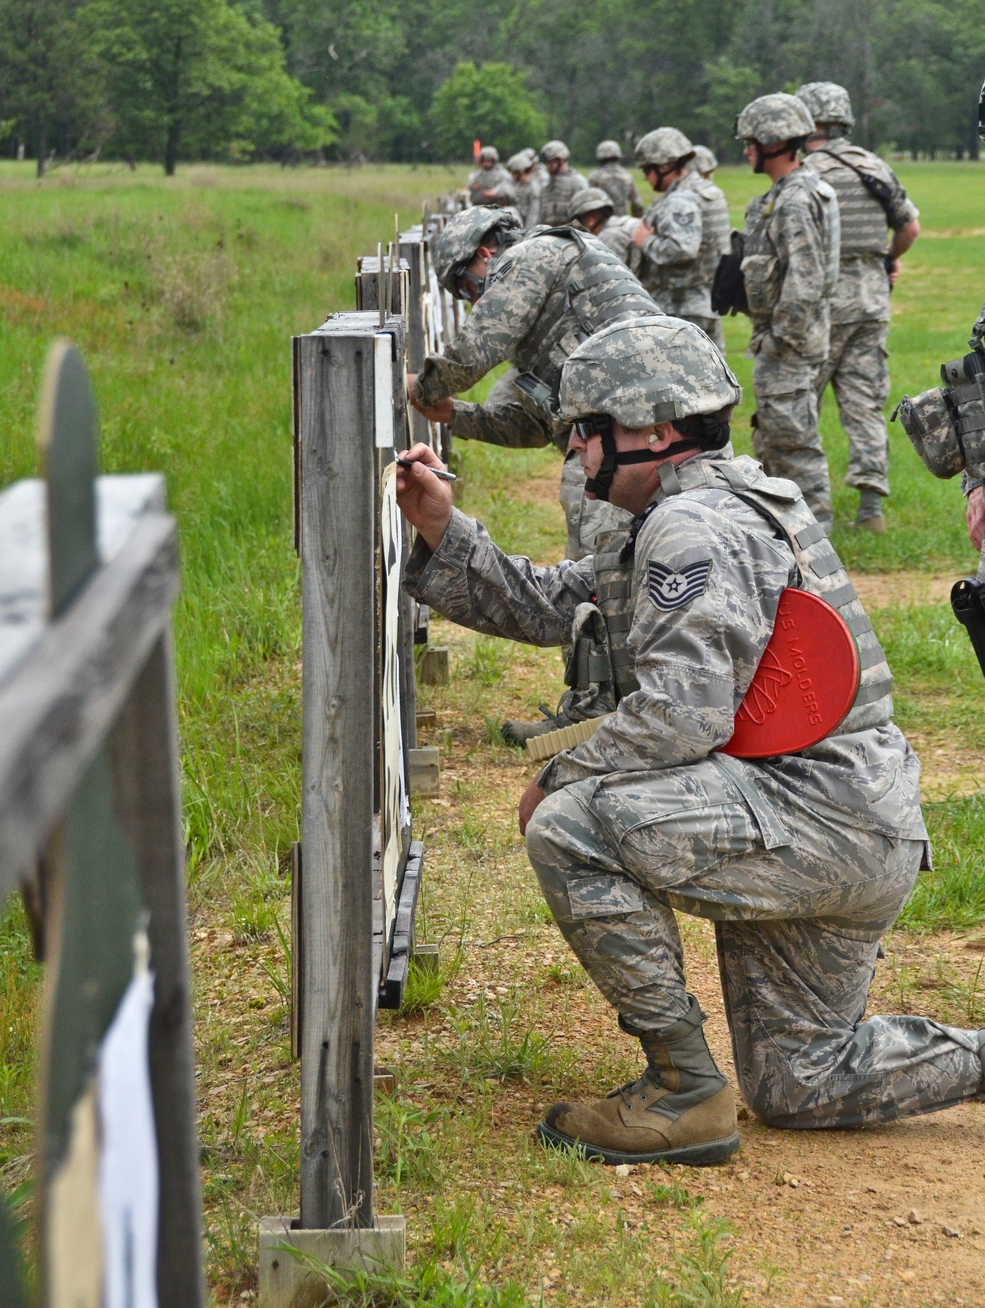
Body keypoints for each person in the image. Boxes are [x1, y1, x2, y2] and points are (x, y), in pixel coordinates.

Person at [397, 312, 985, 1167]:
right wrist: (446, 530)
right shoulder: (724, 497)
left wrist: (559, 775)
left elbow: (683, 715)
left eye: (588, 432)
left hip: (812, 819)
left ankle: (681, 1090)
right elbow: (559, 604)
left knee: (573, 824)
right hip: (856, 822)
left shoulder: (691, 527)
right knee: (798, 1082)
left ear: (654, 432)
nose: (575, 452)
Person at [408, 204, 660, 563]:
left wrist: (418, 389)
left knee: (603, 573)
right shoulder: (557, 285)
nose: (474, 301)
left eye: (467, 286)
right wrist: (454, 414)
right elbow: (536, 427)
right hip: (645, 430)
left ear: (485, 253)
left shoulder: (529, 255)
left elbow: (477, 348)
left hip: (619, 437)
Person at [798, 81, 921, 534]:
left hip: (821, 304)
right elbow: (910, 227)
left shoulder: (805, 172)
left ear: (807, 121)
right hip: (871, 301)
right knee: (866, 404)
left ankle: (813, 514)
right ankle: (870, 511)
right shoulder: (875, 166)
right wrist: (884, 261)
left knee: (801, 404)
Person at [737, 93, 840, 532]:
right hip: (795, 343)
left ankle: (817, 550)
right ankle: (789, 541)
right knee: (777, 442)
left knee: (794, 448)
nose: (745, 151)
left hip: (789, 348)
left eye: (750, 142)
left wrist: (780, 339)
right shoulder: (797, 190)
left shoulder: (795, 200)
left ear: (772, 142)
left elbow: (805, 280)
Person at [630, 127, 730, 353]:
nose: (645, 176)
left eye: (647, 168)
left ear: (665, 166)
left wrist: (646, 241)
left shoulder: (681, 200)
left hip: (683, 309)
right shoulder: (707, 191)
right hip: (706, 303)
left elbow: (682, 249)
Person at [568, 186, 640, 269]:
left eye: (580, 221)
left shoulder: (609, 236)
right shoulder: (620, 224)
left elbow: (610, 276)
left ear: (591, 219)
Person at [537, 140, 589, 225]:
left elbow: (585, 215)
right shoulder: (546, 186)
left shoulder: (578, 183)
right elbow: (541, 218)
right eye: (547, 162)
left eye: (551, 161)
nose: (548, 165)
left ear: (561, 160)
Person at [588, 140, 643, 217]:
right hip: (623, 222)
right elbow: (637, 204)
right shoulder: (627, 175)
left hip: (602, 223)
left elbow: (588, 203)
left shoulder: (595, 177)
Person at [506, 151, 542, 229]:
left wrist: (527, 231)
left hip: (527, 226)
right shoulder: (516, 185)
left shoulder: (532, 187)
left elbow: (534, 212)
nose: (513, 175)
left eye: (515, 172)